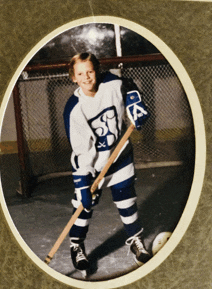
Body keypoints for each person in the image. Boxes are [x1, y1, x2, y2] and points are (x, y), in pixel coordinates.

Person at [63, 52, 150, 274]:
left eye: (90, 71)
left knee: (126, 200)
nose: (87, 77)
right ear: (73, 77)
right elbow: (82, 149)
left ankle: (135, 239)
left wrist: (134, 99)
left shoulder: (111, 84)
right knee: (83, 207)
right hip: (94, 166)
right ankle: (76, 245)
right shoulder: (74, 109)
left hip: (120, 156)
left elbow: (128, 85)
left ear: (97, 71)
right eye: (80, 73)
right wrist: (83, 180)